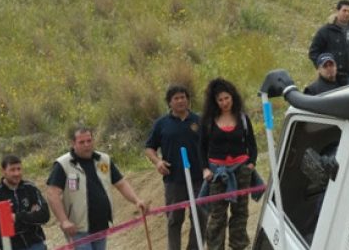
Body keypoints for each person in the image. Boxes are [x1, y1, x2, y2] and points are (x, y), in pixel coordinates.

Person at [46, 126, 148, 250]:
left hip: (101, 224)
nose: (86, 145)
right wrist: (64, 221)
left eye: (89, 141)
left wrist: (136, 200)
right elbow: (52, 194)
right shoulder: (63, 164)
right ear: (73, 143)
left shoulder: (103, 160)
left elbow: (121, 183)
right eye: (82, 142)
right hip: (78, 228)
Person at [144, 85, 207, 250]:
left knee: (201, 217)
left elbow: (209, 145)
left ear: (188, 100)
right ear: (169, 103)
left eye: (183, 97)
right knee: (174, 219)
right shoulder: (162, 124)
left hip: (199, 179)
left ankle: (194, 247)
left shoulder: (198, 121)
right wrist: (157, 162)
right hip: (174, 180)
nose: (180, 101)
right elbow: (149, 148)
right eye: (176, 98)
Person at [199, 78, 258, 250]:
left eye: (227, 98)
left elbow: (252, 144)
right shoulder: (208, 120)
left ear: (233, 97)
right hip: (217, 174)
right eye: (220, 100)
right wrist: (205, 169)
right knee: (217, 216)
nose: (224, 102)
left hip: (241, 171)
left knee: (240, 213)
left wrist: (251, 164)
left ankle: (238, 246)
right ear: (215, 102)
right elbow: (201, 148)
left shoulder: (243, 118)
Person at [0, 155, 50, 250]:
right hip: (11, 246)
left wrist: (16, 217)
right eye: (12, 170)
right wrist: (31, 216)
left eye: (19, 169)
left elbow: (45, 216)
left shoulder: (30, 188)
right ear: (3, 171)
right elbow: (0, 226)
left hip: (36, 243)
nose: (17, 173)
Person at [308, 0, 349, 84]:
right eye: (344, 10)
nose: (347, 13)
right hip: (333, 77)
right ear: (337, 11)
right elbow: (313, 52)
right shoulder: (325, 31)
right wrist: (323, 68)